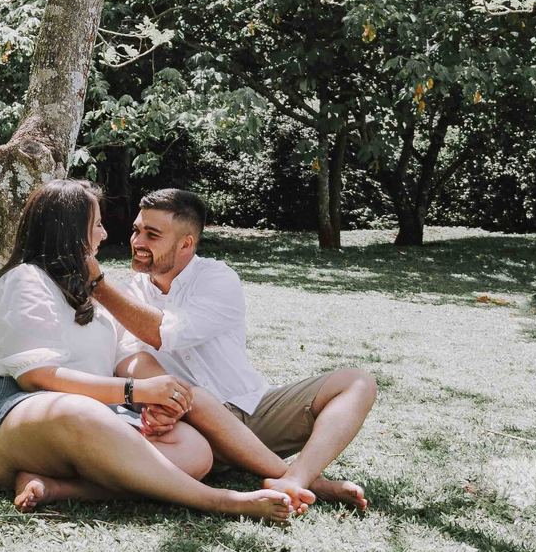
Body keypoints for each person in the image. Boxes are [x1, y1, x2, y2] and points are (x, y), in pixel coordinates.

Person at [0, 179, 294, 523]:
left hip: (93, 417)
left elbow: (124, 362)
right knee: (77, 410)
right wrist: (136, 391)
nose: (104, 235)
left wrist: (156, 404)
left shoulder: (88, 293)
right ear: (70, 230)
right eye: (97, 224)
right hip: (3, 419)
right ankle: (221, 501)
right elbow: (37, 378)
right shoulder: (25, 279)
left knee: (195, 450)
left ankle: (60, 487)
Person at [89, 188, 376, 510]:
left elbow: (163, 332)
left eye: (152, 235)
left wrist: (98, 284)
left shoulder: (217, 279)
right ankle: (313, 484)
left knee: (357, 381)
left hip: (253, 411)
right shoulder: (130, 293)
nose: (137, 242)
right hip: (190, 426)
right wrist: (165, 398)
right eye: (136, 230)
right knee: (194, 397)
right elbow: (129, 360)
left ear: (185, 244)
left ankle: (298, 478)